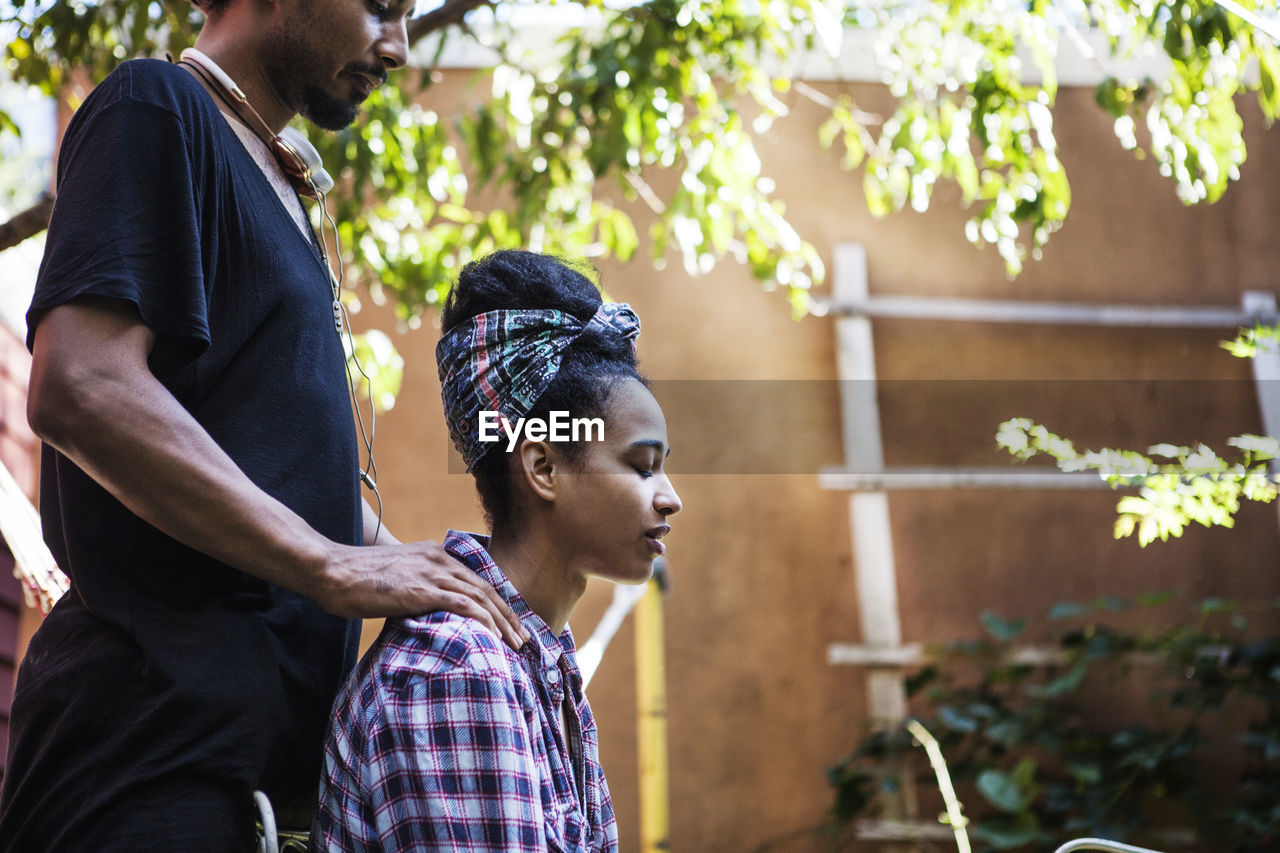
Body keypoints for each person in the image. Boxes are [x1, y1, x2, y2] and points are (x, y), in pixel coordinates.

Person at [0, 1, 529, 849]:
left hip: (266, 793)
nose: (397, 46)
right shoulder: (153, 107)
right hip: (147, 766)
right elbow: (81, 384)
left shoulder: (282, 186)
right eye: (381, 8)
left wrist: (432, 580)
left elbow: (285, 471)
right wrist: (330, 565)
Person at [312, 249, 682, 852]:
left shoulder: (536, 660)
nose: (670, 499)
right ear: (543, 466)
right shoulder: (461, 669)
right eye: (641, 466)